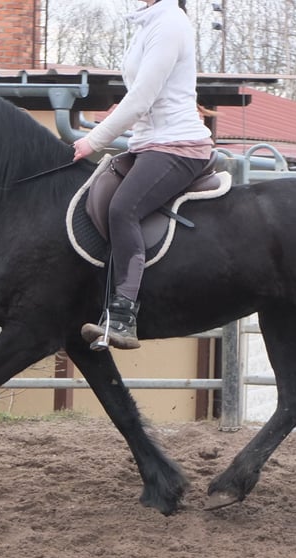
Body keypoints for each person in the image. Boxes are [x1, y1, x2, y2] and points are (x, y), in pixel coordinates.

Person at [73, 0, 213, 350]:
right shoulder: (147, 24)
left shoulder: (168, 25)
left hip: (177, 145)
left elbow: (141, 100)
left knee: (124, 209)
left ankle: (123, 315)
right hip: (149, 143)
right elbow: (138, 97)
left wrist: (94, 140)